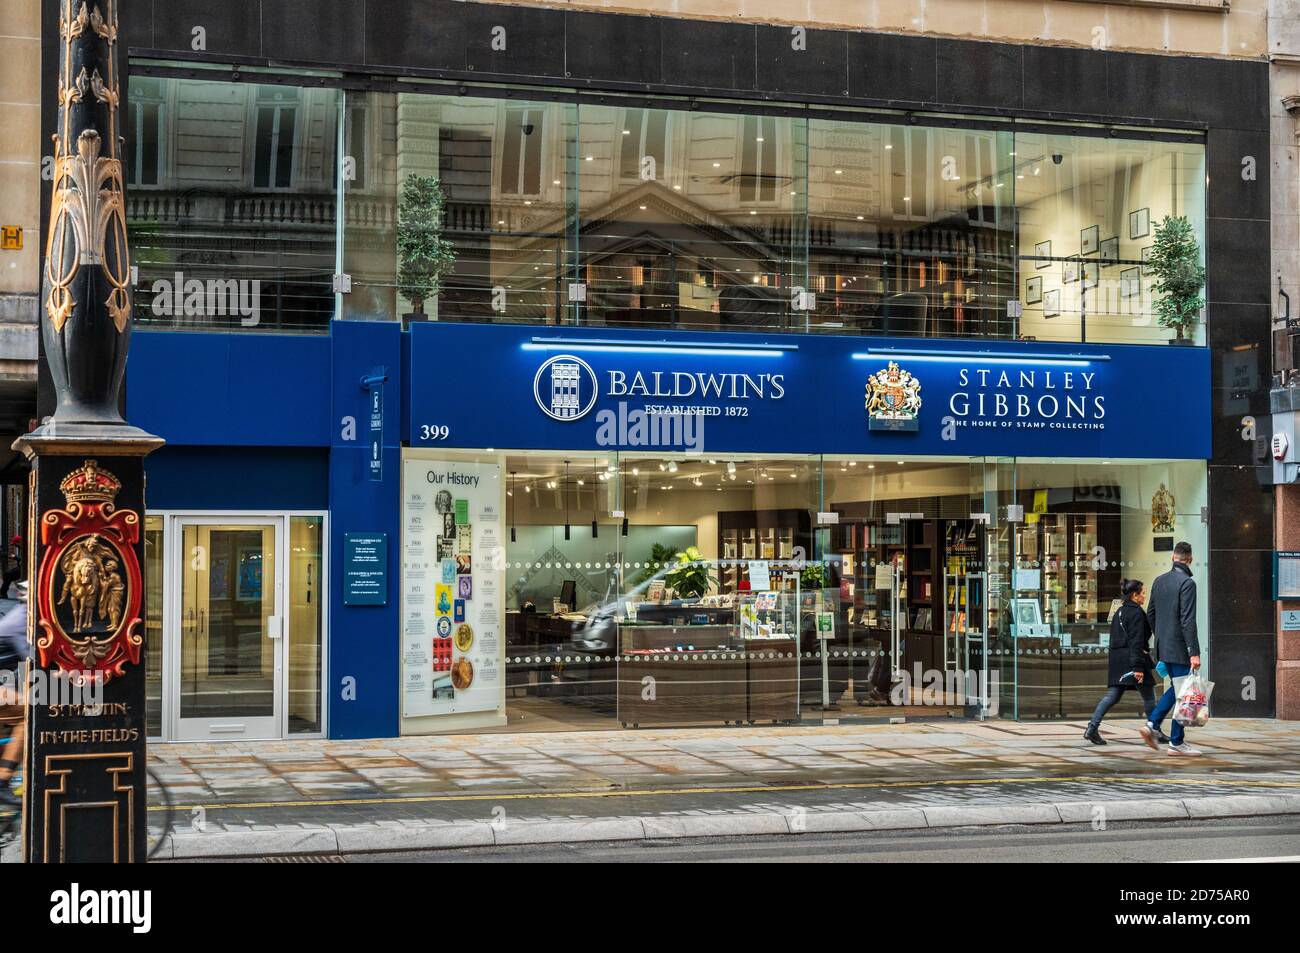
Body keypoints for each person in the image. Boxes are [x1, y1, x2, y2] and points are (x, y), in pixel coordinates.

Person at [1083, 578, 1162, 745]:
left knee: (1113, 695)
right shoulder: (1136, 613)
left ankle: (1092, 728)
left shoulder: (1119, 611)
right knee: (1149, 696)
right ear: (1135, 595)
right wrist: (1138, 667)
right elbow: (1136, 641)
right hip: (1134, 660)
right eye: (1143, 593)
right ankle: (1155, 730)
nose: (1144, 596)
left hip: (1119, 660)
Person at [1141, 541, 1202, 756]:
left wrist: (1162, 637)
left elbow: (1151, 614)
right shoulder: (1187, 583)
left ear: (1172, 558)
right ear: (1190, 559)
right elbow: (1187, 620)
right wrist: (1193, 651)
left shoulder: (1159, 581)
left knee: (1179, 689)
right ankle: (1169, 737)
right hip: (1180, 648)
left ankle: (1161, 731)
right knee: (1183, 692)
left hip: (1163, 646)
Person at [0, 601, 29, 808]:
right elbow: (36, 660)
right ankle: (3, 780)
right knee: (31, 713)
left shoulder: (20, 615)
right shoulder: (21, 621)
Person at [0, 534, 21, 600]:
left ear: (19, 542)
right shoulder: (21, 548)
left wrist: (15, 557)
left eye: (15, 544)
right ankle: (3, 592)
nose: (15, 546)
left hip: (23, 570)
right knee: (6, 573)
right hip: (20, 568)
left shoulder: (25, 547)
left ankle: (3, 593)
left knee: (8, 574)